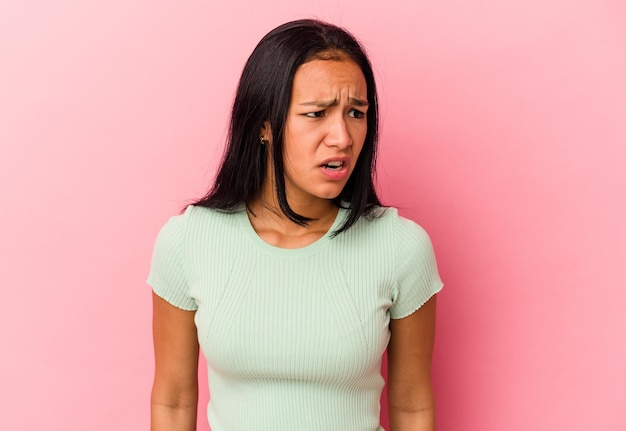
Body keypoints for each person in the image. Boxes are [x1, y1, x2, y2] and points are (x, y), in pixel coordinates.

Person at [148, 19, 443, 431]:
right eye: (316, 113)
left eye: (356, 113)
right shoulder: (188, 241)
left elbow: (412, 406)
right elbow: (173, 401)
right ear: (264, 125)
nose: (342, 136)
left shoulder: (400, 247)